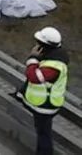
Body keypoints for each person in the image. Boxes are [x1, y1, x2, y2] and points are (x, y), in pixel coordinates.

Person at [19, 26, 69, 155]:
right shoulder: (53, 57)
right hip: (45, 103)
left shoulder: (53, 66)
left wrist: (32, 59)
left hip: (45, 106)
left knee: (43, 134)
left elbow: (34, 77)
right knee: (42, 130)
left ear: (44, 46)